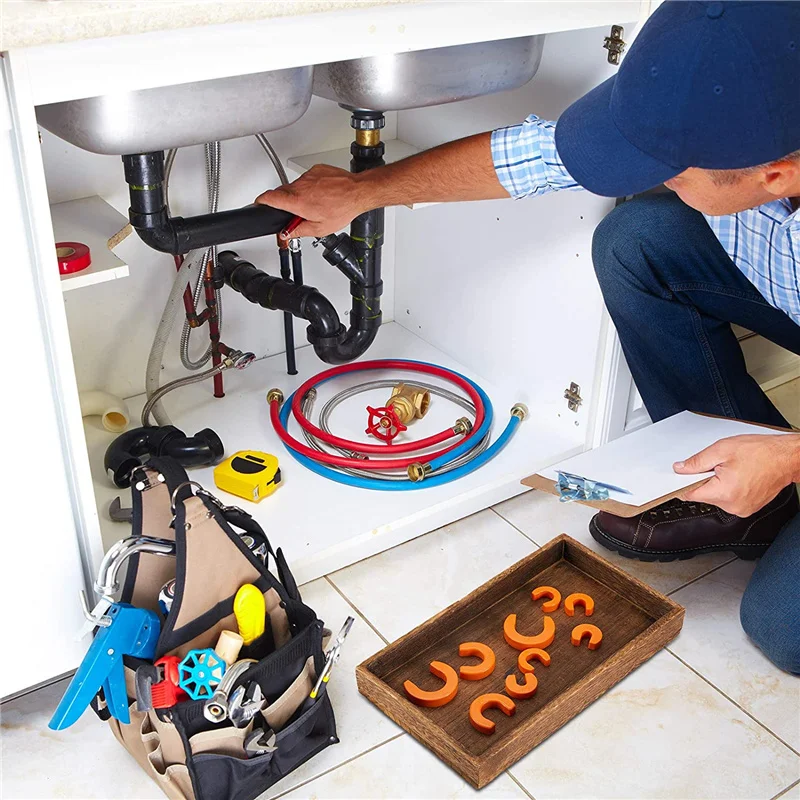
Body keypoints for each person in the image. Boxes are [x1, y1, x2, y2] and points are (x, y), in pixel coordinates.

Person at [257, 1, 800, 672]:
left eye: (671, 170)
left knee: (782, 627)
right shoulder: (738, 80)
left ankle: (771, 473)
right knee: (637, 240)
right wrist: (363, 192)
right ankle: (748, 503)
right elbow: (536, 158)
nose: (648, 175)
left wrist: (788, 458)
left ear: (775, 175)